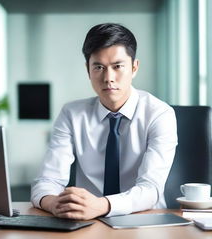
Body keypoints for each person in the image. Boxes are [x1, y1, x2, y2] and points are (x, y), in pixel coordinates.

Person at [31, 23, 177, 220]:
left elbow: (151, 188)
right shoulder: (71, 114)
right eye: (99, 67)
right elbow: (47, 180)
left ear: (134, 68)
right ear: (88, 70)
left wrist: (102, 205)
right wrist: (53, 203)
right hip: (87, 221)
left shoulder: (159, 114)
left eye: (118, 67)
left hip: (145, 220)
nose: (108, 78)